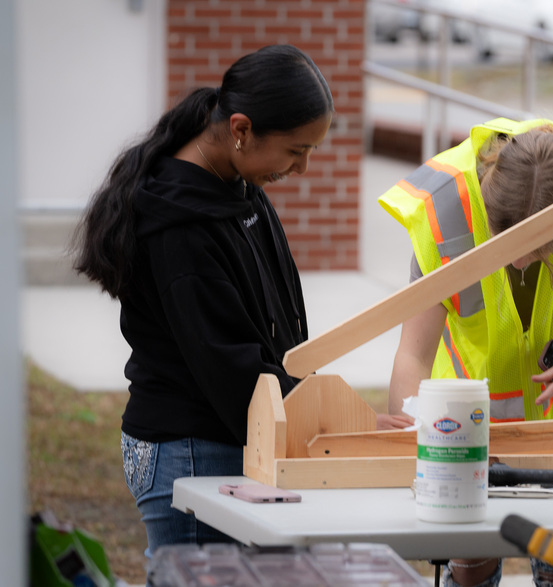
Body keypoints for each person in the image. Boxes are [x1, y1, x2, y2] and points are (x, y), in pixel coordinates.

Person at [72, 45, 411, 559]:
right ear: (241, 129)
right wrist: (341, 421)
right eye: (296, 150)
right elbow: (230, 366)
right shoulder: (181, 226)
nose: (302, 168)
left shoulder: (234, 182)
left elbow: (269, 332)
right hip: (189, 449)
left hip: (229, 434)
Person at [381, 117, 553, 587]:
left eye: (541, 246)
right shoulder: (447, 214)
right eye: (508, 241)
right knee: (469, 566)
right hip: (464, 431)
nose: (522, 261)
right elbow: (413, 355)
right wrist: (420, 437)